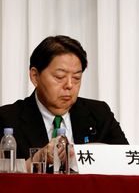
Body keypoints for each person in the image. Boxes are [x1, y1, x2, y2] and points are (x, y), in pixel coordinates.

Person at [0, 35, 128, 171]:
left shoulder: (99, 113)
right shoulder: (6, 118)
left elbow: (128, 162)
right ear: (35, 76)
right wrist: (37, 159)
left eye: (77, 78)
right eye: (59, 77)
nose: (69, 85)